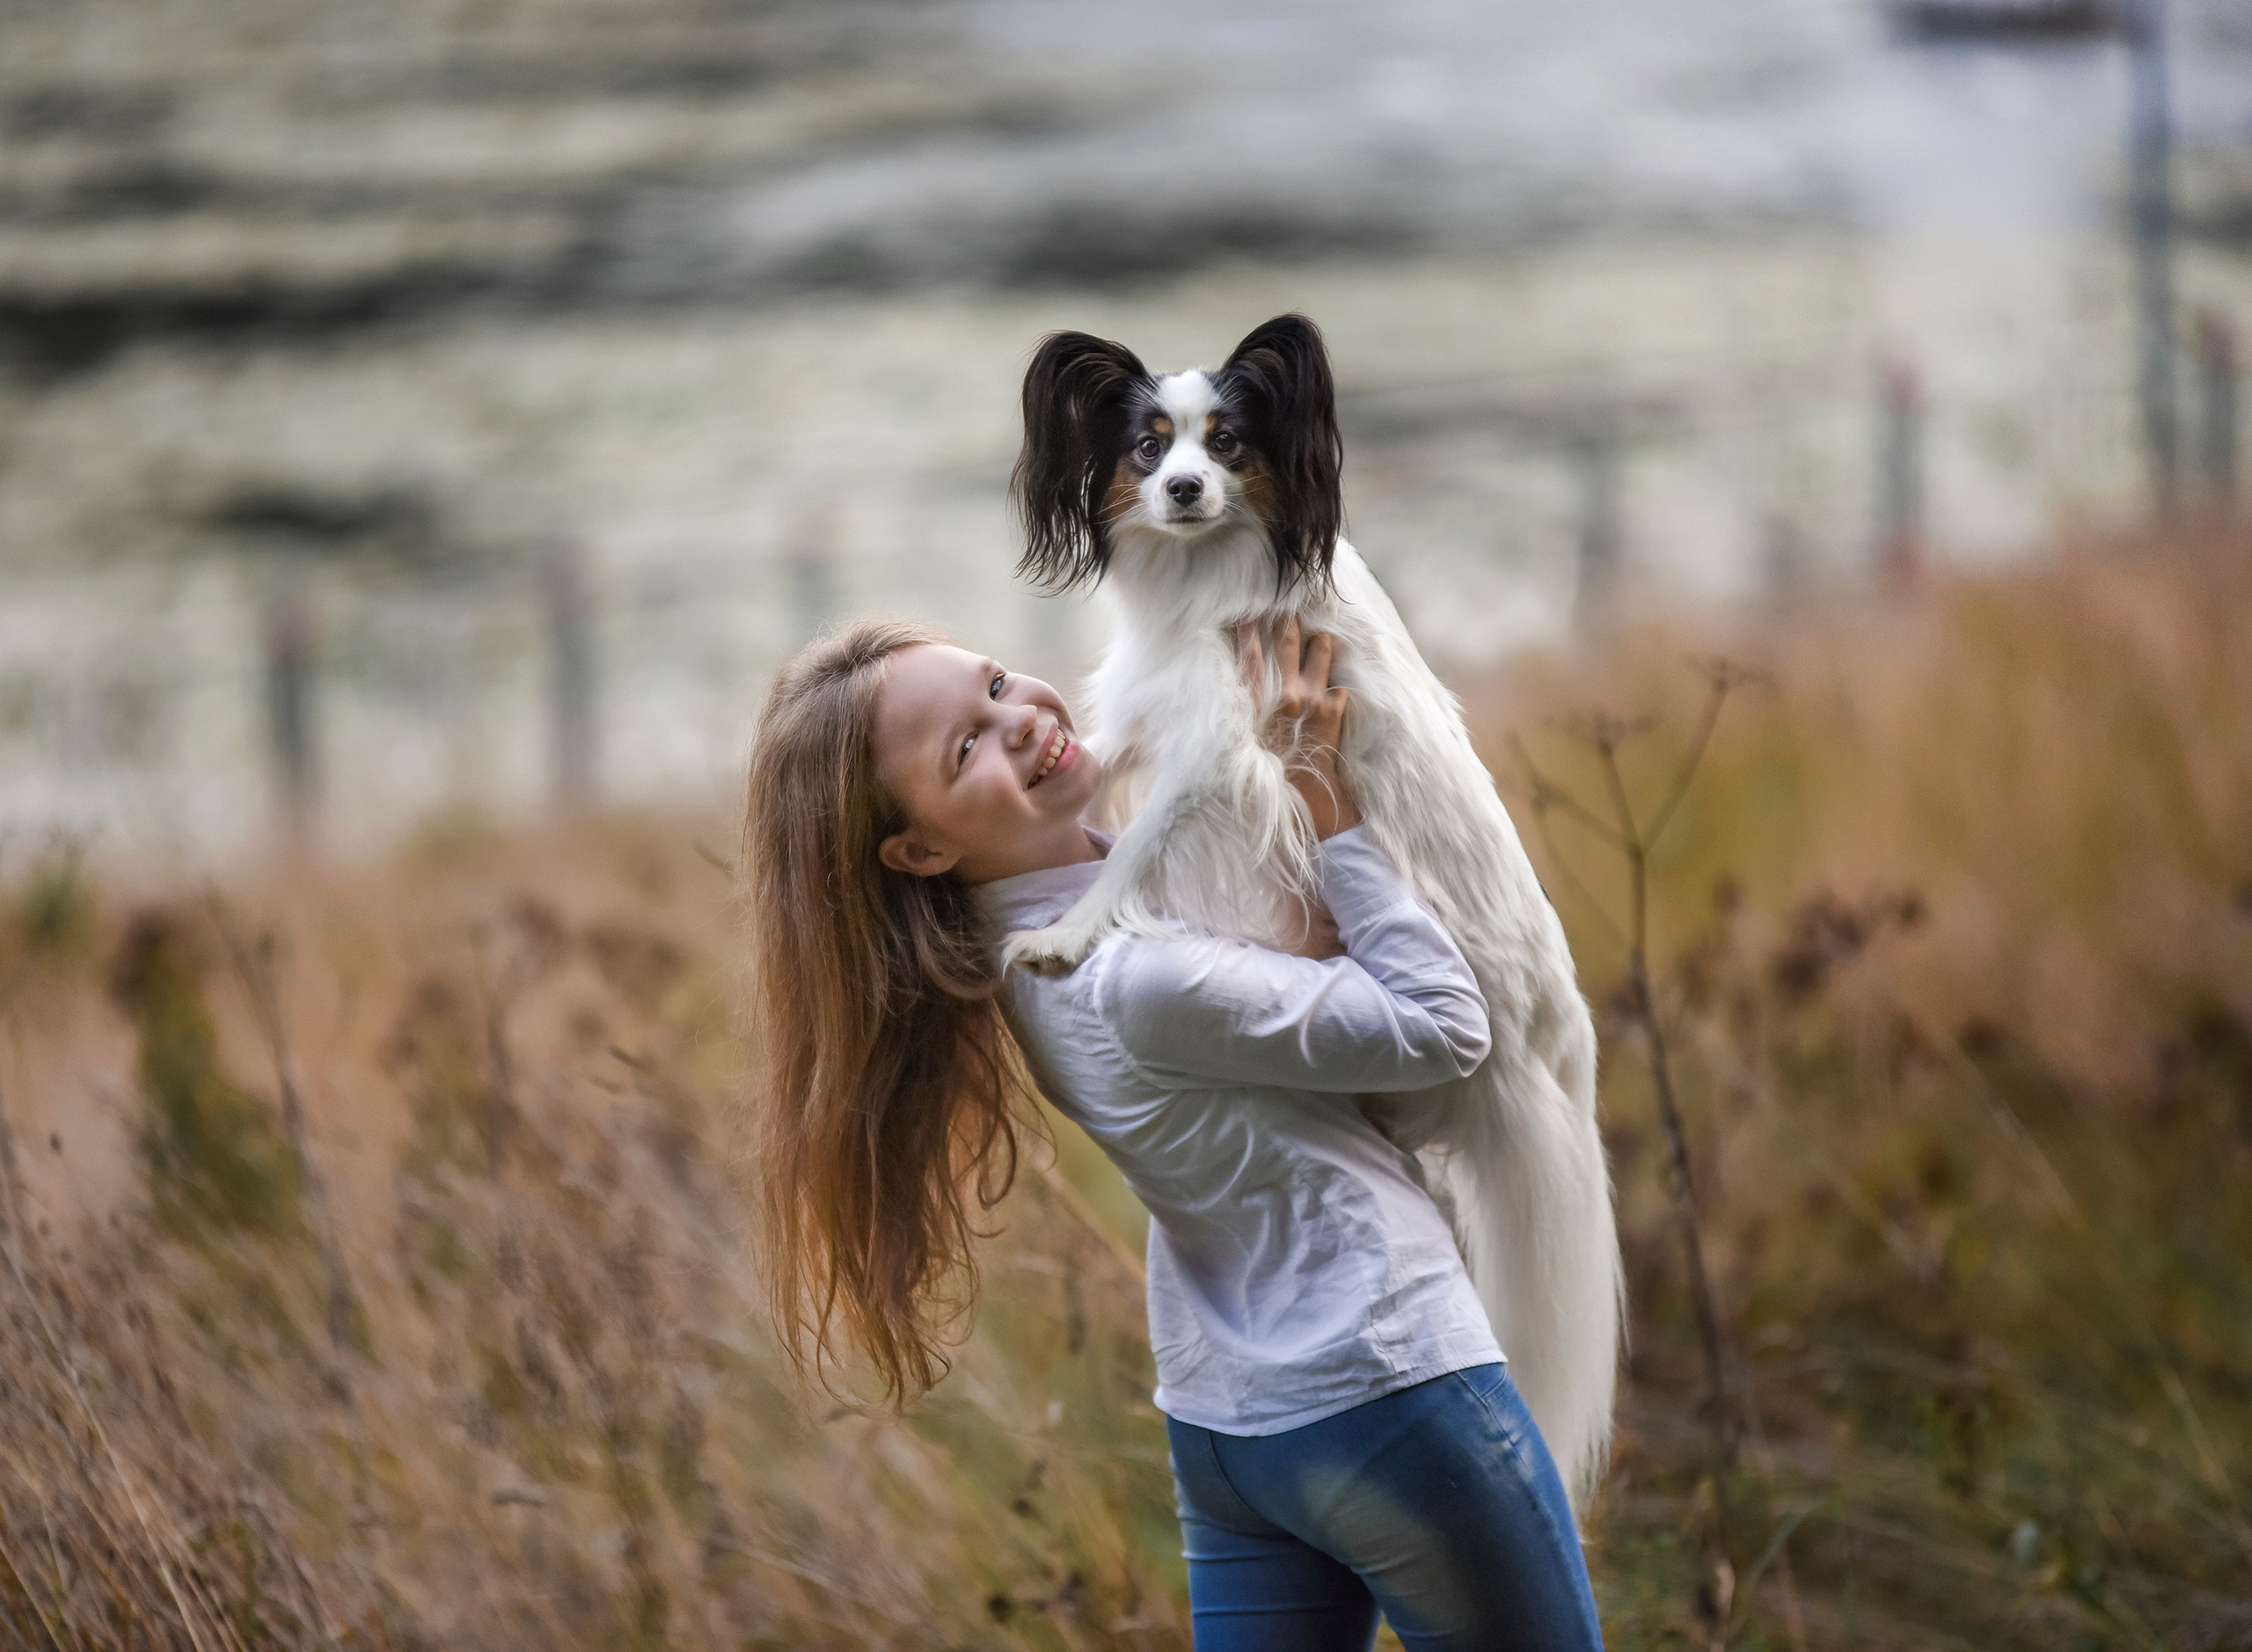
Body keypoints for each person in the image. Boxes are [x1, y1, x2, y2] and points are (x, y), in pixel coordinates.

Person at [742, 615, 1604, 1651]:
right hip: (1387, 1394)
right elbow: (1440, 1027)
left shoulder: (1020, 959)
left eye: (999, 684)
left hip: (1227, 1432)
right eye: (966, 747)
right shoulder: (1126, 976)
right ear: (919, 848)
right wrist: (1330, 812)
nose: (1020, 721)